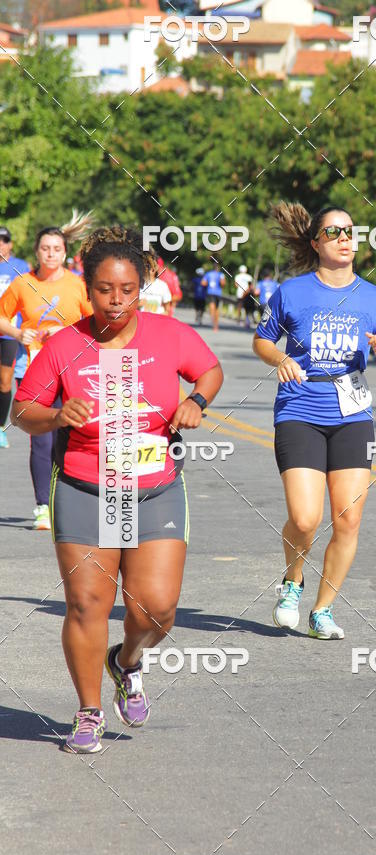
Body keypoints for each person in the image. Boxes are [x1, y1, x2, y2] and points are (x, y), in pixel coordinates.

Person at [11, 225, 224, 754]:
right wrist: (58, 413)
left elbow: (211, 370)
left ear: (142, 287)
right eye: (105, 289)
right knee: (86, 605)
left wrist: (196, 400)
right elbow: (22, 411)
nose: (116, 301)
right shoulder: (65, 345)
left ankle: (126, 661)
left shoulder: (168, 335)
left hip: (154, 488)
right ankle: (88, 712)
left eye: (127, 290)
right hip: (86, 488)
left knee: (157, 610)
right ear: (89, 288)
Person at [253, 204, 376, 639]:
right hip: (300, 408)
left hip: (353, 412)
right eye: (333, 231)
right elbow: (261, 341)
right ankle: (292, 581)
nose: (344, 237)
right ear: (316, 242)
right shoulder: (293, 291)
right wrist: (281, 358)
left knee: (348, 520)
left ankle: (323, 610)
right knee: (304, 519)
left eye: (350, 231)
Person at [0, 212, 93, 529]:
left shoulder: (78, 286)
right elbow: (1, 316)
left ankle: (67, 499)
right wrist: (17, 333)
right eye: (45, 248)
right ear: (36, 251)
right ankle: (43, 506)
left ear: (65, 252)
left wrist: (67, 333)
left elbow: (96, 324)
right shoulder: (23, 283)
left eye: (56, 248)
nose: (50, 253)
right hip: (33, 368)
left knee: (68, 437)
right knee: (40, 438)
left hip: (72, 370)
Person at [0, 226, 29, 449]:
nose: (1, 244)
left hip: (8, 333)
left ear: (10, 244)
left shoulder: (20, 267)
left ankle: (0, 427)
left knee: (4, 381)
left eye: (5, 240)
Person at [202, 262, 226, 331]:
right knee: (217, 308)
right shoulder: (221, 274)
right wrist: (221, 285)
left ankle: (212, 319)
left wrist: (208, 284)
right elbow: (223, 283)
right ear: (218, 268)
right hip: (218, 293)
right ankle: (216, 324)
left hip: (210, 292)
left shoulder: (208, 274)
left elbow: (203, 283)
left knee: (212, 305)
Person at [234, 264, 253, 329]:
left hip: (240, 293)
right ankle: (246, 321)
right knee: (247, 308)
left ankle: (239, 320)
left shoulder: (237, 276)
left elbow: (236, 285)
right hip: (247, 294)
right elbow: (251, 286)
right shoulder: (249, 277)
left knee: (239, 306)